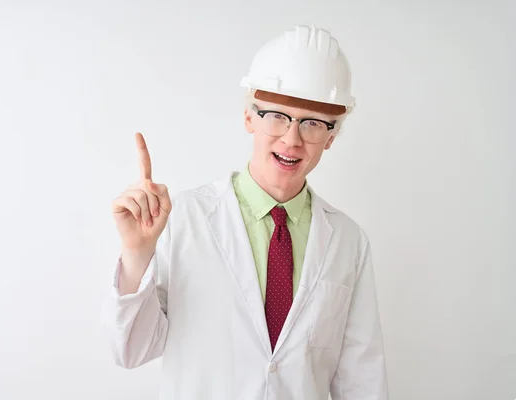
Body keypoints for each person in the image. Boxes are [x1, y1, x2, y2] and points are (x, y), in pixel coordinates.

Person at [102, 25, 389, 399]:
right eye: (277, 116)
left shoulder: (349, 242)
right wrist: (137, 254)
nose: (292, 138)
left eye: (312, 123)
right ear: (249, 117)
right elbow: (129, 350)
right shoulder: (183, 218)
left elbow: (362, 380)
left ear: (331, 137)